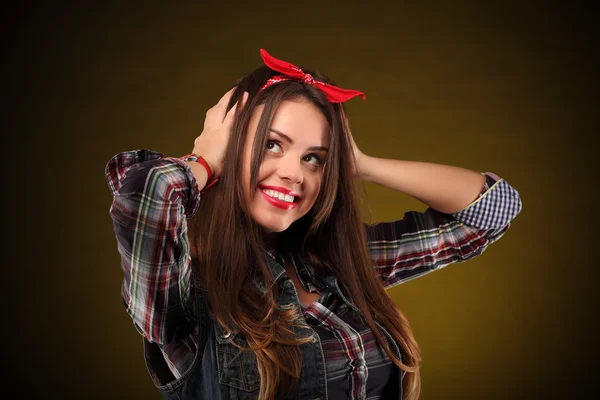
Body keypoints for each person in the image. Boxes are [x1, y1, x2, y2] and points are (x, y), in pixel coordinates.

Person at [105, 49, 522, 400]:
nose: (294, 173)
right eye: (272, 145)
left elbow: (492, 210)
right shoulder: (186, 291)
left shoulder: (339, 263)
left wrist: (359, 164)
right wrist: (205, 162)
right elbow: (145, 198)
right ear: (228, 146)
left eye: (313, 158)